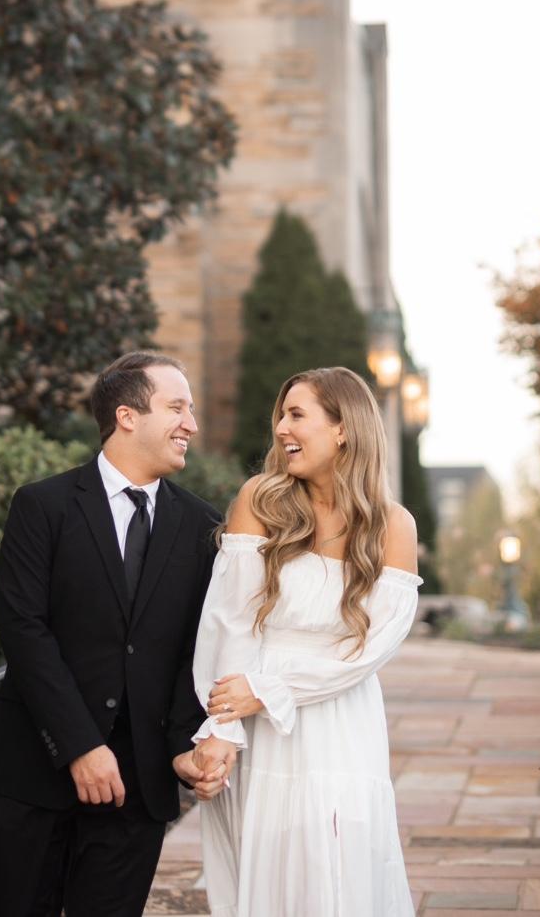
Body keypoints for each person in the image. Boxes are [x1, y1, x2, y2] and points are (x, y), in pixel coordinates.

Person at [0, 351, 234, 917]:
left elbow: (195, 650)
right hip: (35, 770)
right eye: (177, 408)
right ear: (127, 416)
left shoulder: (202, 525)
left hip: (138, 791)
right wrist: (80, 747)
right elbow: (24, 630)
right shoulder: (42, 506)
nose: (191, 424)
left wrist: (183, 749)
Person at [189, 366, 422, 916]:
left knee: (339, 865)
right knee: (264, 866)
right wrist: (222, 728)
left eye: (297, 415)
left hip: (340, 720)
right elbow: (230, 622)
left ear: (343, 428)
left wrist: (270, 690)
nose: (281, 429)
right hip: (256, 724)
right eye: (281, 415)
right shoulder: (260, 500)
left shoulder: (393, 525)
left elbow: (370, 649)